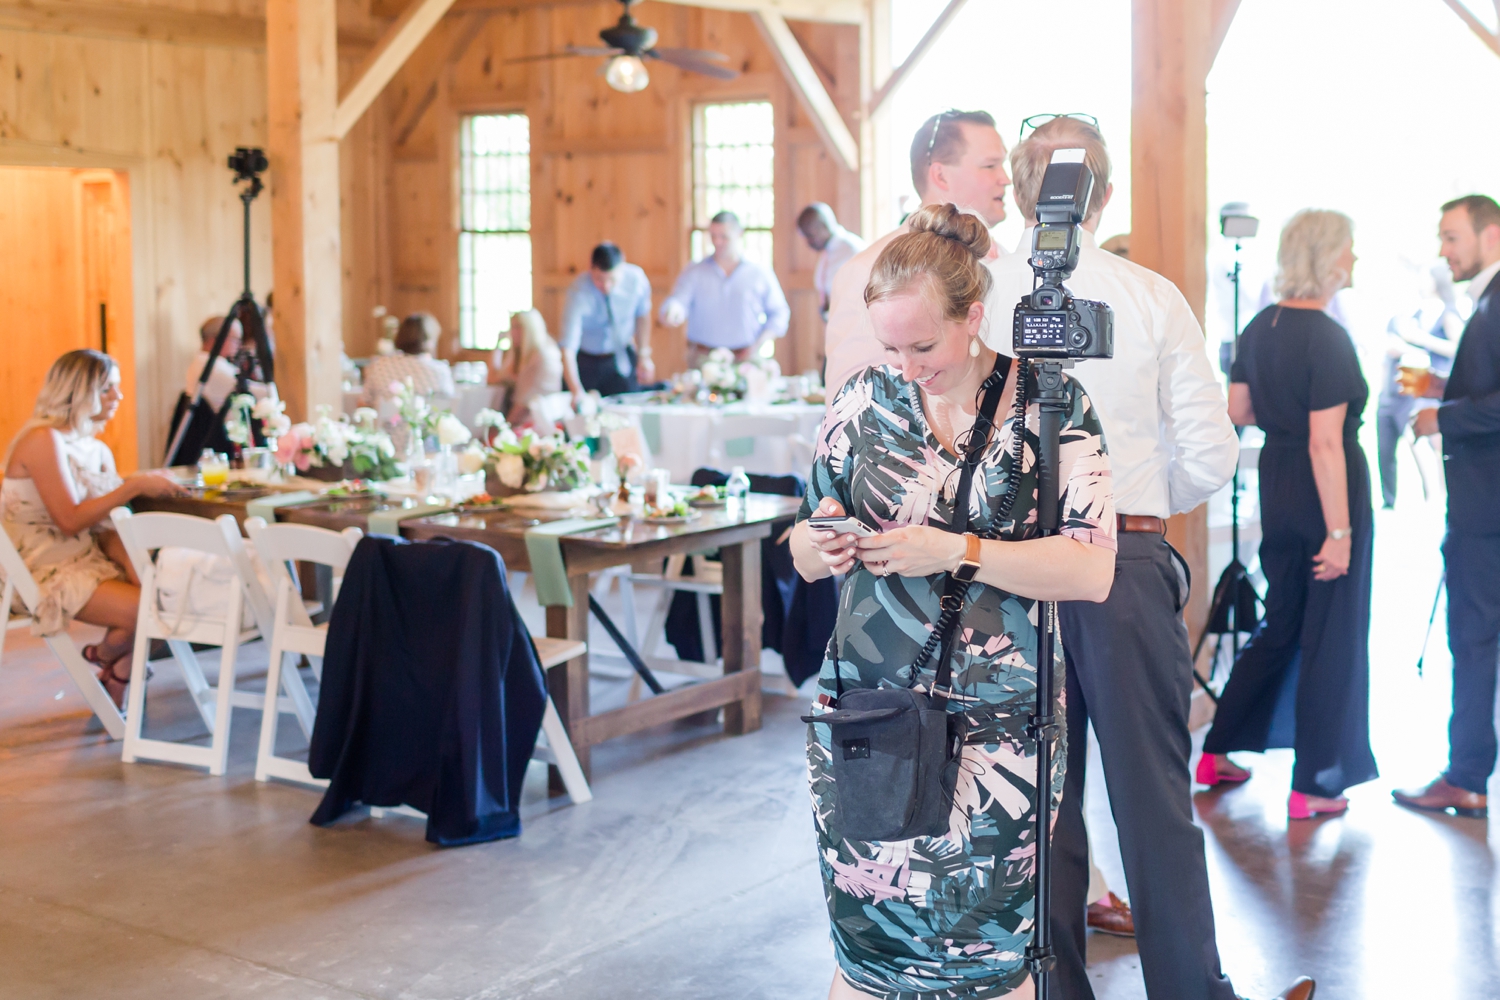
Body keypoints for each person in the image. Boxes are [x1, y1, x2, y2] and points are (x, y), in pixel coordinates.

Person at [985, 116, 1313, 1000]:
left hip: (998, 567)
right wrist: (1127, 496)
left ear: (1019, 188)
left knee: (1031, 805)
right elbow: (1209, 458)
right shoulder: (1148, 294)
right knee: (1154, 800)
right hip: (1122, 559)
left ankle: (1052, 991)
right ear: (1107, 192)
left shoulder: (973, 290)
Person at [791, 204, 1117, 1000]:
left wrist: (959, 551)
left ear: (974, 317)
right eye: (891, 346)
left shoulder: (1050, 404)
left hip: (1000, 731)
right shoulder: (860, 401)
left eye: (924, 345)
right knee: (868, 947)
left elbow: (1091, 571)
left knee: (987, 954)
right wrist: (819, 544)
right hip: (870, 713)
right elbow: (803, 548)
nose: (907, 366)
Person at [1199, 209, 1378, 819]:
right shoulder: (1326, 336)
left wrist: (1282, 402)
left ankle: (1216, 751)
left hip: (1279, 484)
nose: (1354, 261)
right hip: (1327, 492)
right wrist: (1342, 532)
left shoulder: (1259, 326)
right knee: (1332, 635)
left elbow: (1239, 409)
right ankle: (1316, 785)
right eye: (1349, 250)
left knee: (1281, 624)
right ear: (1329, 258)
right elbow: (1327, 443)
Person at [2, 350, 185, 706]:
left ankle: (113, 666)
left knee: (170, 597)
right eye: (107, 390)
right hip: (41, 567)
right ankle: (110, 660)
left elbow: (104, 529)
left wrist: (136, 567)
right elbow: (69, 521)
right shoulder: (43, 440)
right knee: (160, 612)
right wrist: (132, 486)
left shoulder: (98, 450)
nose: (118, 397)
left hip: (87, 558)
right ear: (76, 392)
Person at [1397, 193, 1500, 818]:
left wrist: (1444, 415)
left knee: (1474, 639)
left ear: (1492, 234)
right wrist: (1445, 389)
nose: (1443, 250)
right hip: (1484, 507)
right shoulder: (1484, 300)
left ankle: (1465, 777)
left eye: (1452, 237)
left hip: (1486, 513)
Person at [823, 109, 1012, 393]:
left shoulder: (1008, 261)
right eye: (990, 166)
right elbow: (847, 402)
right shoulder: (867, 270)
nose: (1005, 178)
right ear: (940, 175)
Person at [660, 211, 790, 366]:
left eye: (724, 237)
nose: (717, 242)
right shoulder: (694, 271)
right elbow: (678, 301)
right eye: (713, 236)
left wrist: (759, 344)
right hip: (703, 358)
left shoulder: (759, 273)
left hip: (745, 358)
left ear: (739, 234)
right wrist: (673, 310)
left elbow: (779, 313)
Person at [558, 242, 655, 401]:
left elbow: (643, 316)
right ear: (591, 269)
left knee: (627, 408)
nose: (606, 286)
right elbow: (567, 347)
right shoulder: (577, 292)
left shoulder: (636, 280)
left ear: (622, 267)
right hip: (586, 359)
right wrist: (576, 391)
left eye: (612, 280)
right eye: (599, 279)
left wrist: (644, 354)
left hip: (621, 353)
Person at [359, 312, 457, 411]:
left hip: (386, 425)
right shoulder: (440, 371)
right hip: (428, 425)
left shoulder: (379, 366)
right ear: (429, 340)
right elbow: (448, 406)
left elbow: (364, 403)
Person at [491, 309, 564, 425]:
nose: (512, 333)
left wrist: (503, 430)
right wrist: (497, 347)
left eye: (518, 327)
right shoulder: (523, 354)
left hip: (537, 422)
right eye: (511, 327)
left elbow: (522, 406)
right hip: (530, 418)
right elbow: (493, 379)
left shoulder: (540, 356)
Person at [797, 203, 866, 319]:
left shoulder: (852, 250)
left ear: (823, 226)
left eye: (810, 236)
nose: (808, 243)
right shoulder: (827, 251)